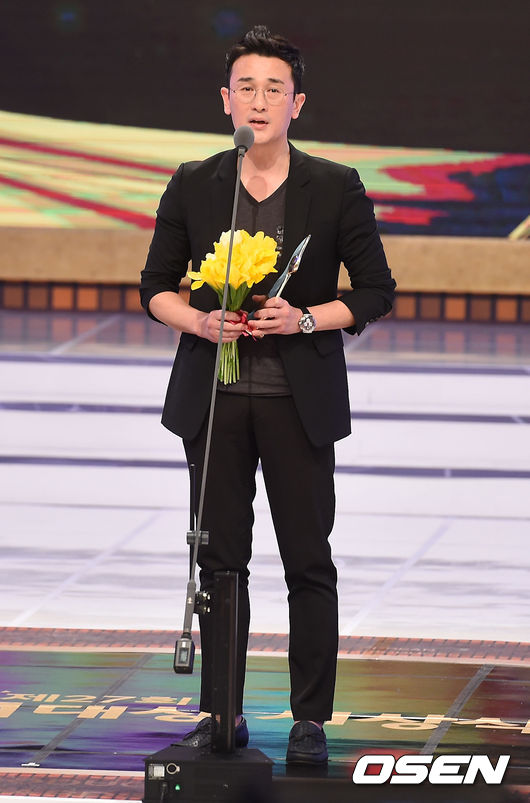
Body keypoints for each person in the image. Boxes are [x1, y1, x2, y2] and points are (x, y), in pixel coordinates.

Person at [140, 24, 396, 764]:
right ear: (225, 101)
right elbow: (154, 287)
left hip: (297, 402)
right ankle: (221, 712)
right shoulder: (194, 183)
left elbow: (376, 291)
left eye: (274, 88)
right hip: (215, 403)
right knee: (220, 562)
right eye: (246, 87)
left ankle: (310, 719)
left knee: (307, 560)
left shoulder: (335, 186)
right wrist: (199, 320)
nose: (259, 101)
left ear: (297, 103)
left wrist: (305, 316)